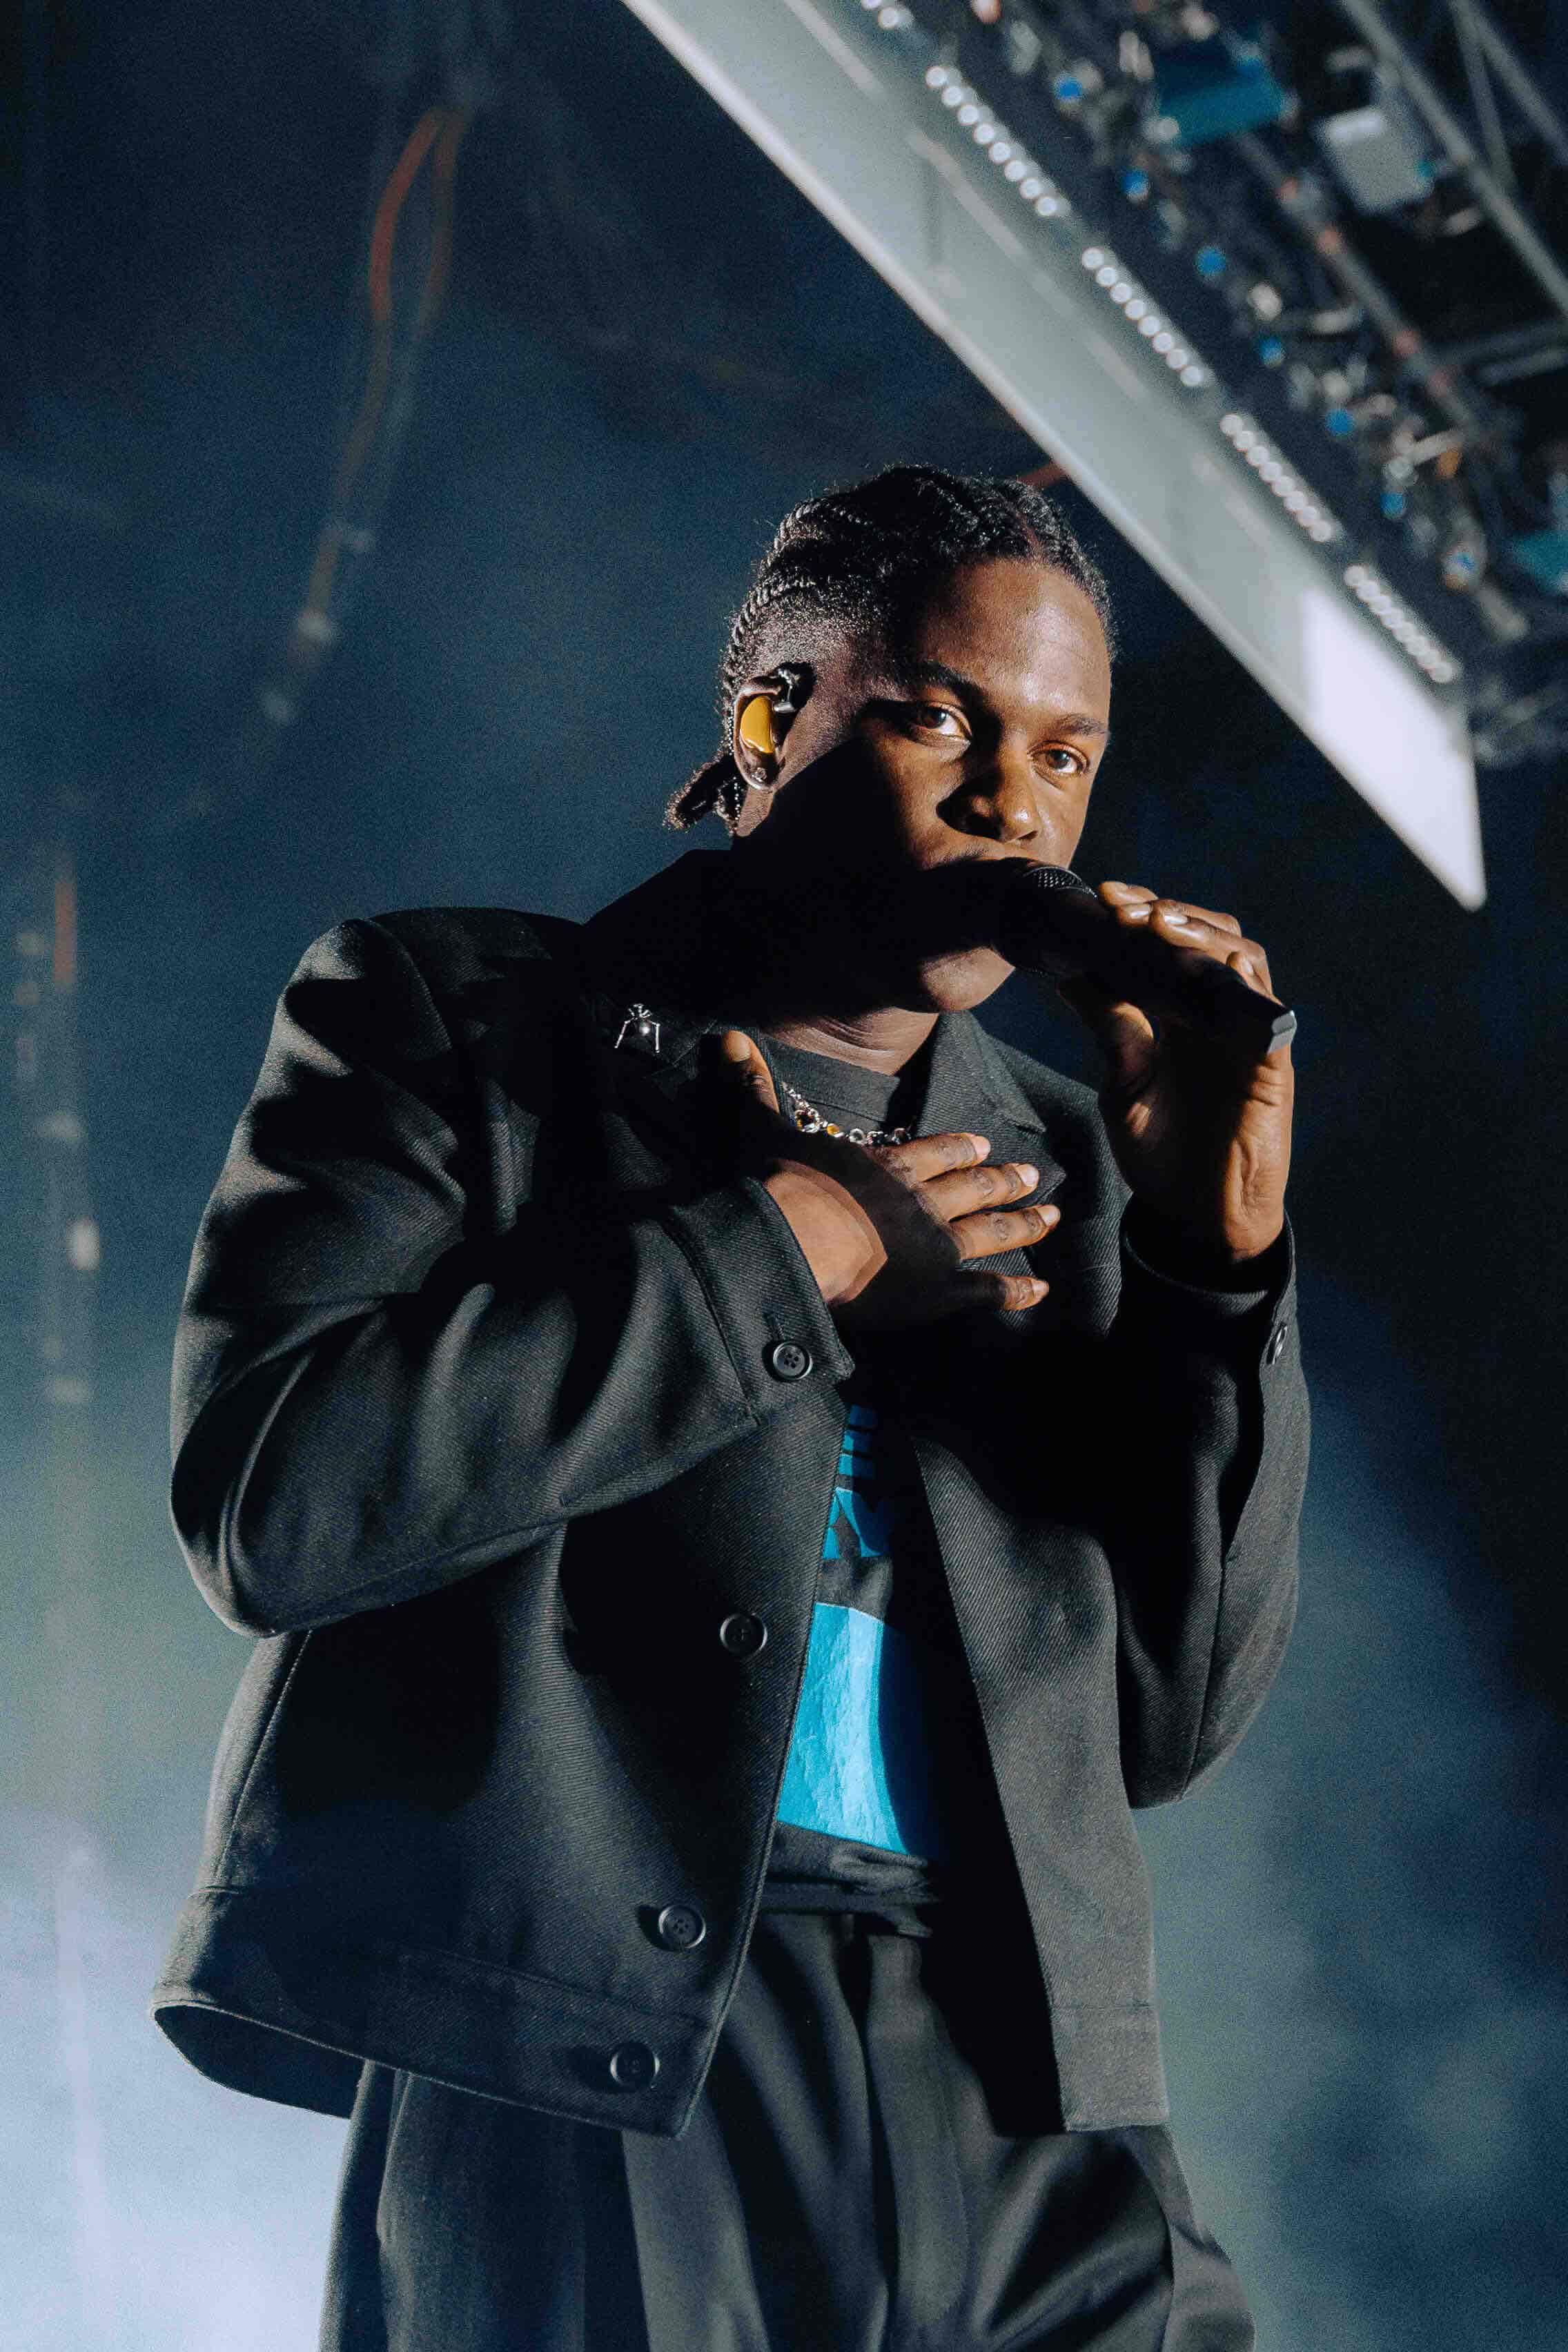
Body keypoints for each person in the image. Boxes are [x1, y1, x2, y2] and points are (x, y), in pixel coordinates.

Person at [153, 464, 1308, 2351]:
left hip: (1026, 2078)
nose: (1014, 799)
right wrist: (795, 1252)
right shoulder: (462, 1021)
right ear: (770, 721)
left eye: (1069, 754)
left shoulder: (1085, 1156)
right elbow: (277, 1506)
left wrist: (1215, 1270)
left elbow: (1161, 1725)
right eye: (941, 718)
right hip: (593, 2039)